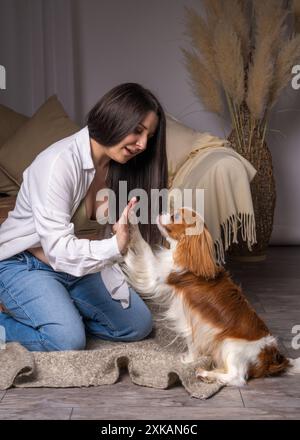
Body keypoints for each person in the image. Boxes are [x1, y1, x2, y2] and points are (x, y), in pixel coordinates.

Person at [0, 83, 168, 352]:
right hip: (24, 262)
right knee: (67, 340)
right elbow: (57, 248)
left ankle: (61, 311)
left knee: (137, 325)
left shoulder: (119, 166)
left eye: (149, 135)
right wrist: (115, 246)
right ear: (115, 118)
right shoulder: (59, 163)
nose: (143, 144)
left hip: (75, 263)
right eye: (137, 130)